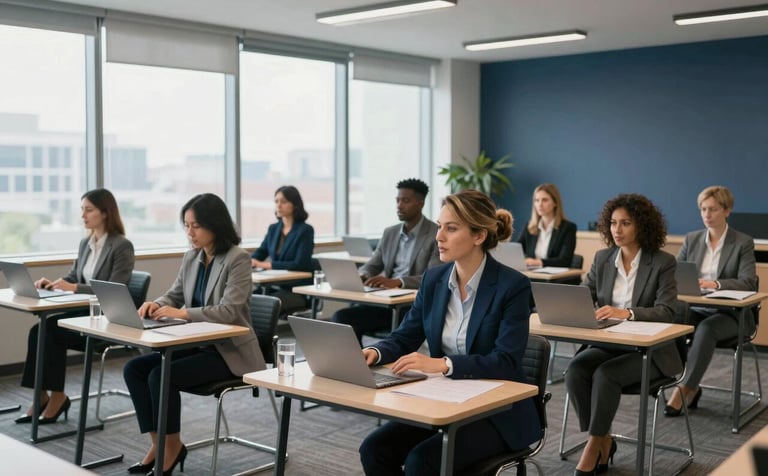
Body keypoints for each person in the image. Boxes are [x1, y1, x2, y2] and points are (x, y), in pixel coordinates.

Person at [358, 189, 540, 475]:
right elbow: (406, 335)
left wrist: (443, 364)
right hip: (444, 400)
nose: (439, 237)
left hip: (496, 412)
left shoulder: (512, 286)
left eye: (451, 229)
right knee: (374, 449)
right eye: (440, 226)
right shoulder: (433, 280)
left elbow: (505, 361)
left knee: (422, 462)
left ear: (479, 236)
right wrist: (375, 351)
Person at [123, 193, 265, 476]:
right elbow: (175, 294)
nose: (190, 232)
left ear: (216, 225)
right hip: (197, 343)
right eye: (186, 225)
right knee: (134, 369)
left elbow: (229, 311)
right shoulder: (192, 257)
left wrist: (182, 314)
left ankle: (171, 448)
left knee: (160, 375)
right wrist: (158, 304)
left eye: (196, 226)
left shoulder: (238, 259)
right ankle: (161, 444)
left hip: (228, 351)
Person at [564, 193, 681, 476]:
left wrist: (626, 313)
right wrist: (579, 309)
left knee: (606, 375)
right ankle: (603, 437)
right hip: (609, 343)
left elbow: (667, 311)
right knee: (575, 370)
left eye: (625, 223)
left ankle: (594, 444)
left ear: (641, 226)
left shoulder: (663, 262)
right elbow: (584, 294)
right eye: (613, 223)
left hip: (649, 352)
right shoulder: (603, 258)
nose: (617, 230)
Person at [16, 188, 135, 425]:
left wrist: (75, 289)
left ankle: (58, 397)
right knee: (39, 330)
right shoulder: (85, 243)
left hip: (105, 319)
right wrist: (55, 284)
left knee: (50, 330)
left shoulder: (121, 246)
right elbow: (74, 275)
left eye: (88, 210)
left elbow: (114, 287)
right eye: (82, 209)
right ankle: (41, 395)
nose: (83, 215)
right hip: (84, 313)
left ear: (105, 212)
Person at [665, 186, 757, 417]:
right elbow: (674, 273)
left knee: (706, 328)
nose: (707, 214)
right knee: (671, 320)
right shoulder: (693, 239)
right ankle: (673, 378)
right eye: (703, 209)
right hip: (696, 307)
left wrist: (714, 284)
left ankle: (686, 388)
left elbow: (747, 282)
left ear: (727, 211)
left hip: (732, 315)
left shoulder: (742, 242)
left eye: (713, 209)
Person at [332, 178, 440, 342]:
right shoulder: (390, 233)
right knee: (342, 317)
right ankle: (358, 363)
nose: (399, 205)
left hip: (412, 305)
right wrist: (363, 275)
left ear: (421, 203)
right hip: (386, 300)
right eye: (397, 200)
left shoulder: (435, 234)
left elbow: (434, 277)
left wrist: (398, 282)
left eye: (406, 200)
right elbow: (373, 265)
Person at [250, 185, 315, 313]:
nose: (278, 206)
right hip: (274, 287)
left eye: (283, 202)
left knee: (262, 305)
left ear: (295, 204)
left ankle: (262, 333)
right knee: (245, 301)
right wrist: (251, 261)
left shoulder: (305, 230)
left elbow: (299, 264)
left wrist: (266, 265)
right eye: (276, 201)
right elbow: (261, 251)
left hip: (296, 290)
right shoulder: (273, 228)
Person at [517, 183, 577, 268]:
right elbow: (517, 250)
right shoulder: (530, 227)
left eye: (545, 200)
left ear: (555, 202)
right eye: (536, 200)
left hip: (555, 279)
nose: (540, 204)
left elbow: (565, 261)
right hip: (533, 274)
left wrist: (537, 262)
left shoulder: (568, 228)